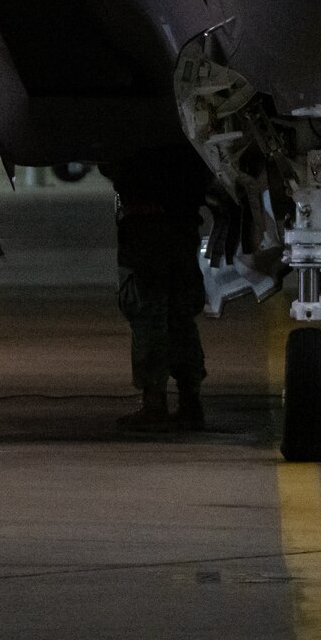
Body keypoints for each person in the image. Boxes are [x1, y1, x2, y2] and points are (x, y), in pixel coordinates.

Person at [102, 150, 213, 433]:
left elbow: (109, 161)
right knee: (180, 314)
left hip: (145, 227)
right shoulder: (185, 137)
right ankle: (190, 401)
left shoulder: (133, 132)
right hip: (182, 223)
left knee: (147, 310)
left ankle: (155, 402)